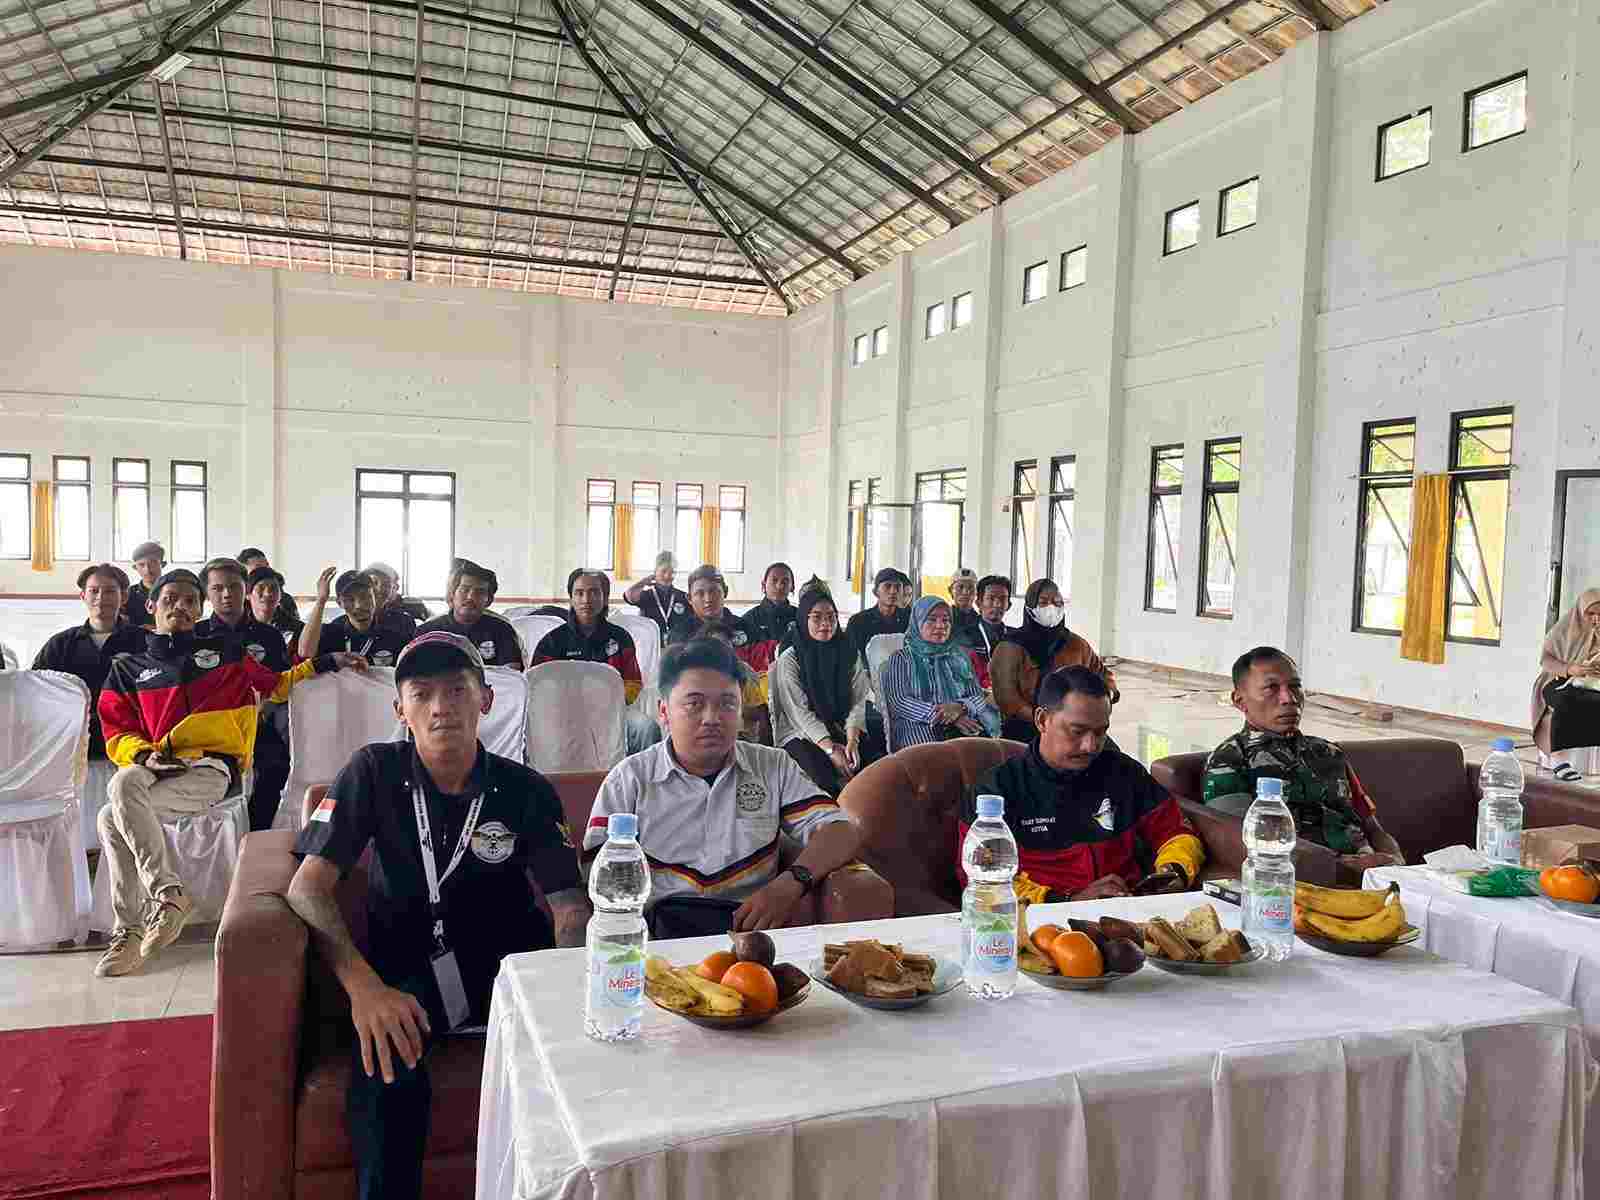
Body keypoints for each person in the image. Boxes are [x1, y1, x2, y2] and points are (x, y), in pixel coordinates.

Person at [287, 632, 587, 1200]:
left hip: (505, 971)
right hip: (402, 971)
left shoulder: (526, 789)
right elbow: (307, 890)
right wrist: (363, 989)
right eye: (421, 693)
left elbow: (568, 909)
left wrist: (568, 1000)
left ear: (487, 700)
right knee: (386, 1057)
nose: (441, 706)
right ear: (399, 709)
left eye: (457, 690)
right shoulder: (372, 771)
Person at [94, 569, 366, 977]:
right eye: (170, 599)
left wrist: (325, 661)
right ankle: (153, 910)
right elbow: (116, 731)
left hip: (210, 768)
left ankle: (140, 920)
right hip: (153, 766)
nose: (181, 607)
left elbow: (276, 686)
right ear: (151, 606)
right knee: (119, 790)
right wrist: (144, 755)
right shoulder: (128, 668)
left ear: (199, 607)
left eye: (190, 600)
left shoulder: (228, 652)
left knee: (110, 812)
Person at [585, 638, 862, 937]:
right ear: (663, 711)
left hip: (751, 935)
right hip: (658, 939)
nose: (712, 719)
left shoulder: (772, 766)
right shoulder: (630, 779)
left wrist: (791, 882)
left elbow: (841, 830)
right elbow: (598, 874)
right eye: (694, 704)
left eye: (727, 704)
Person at [962, 666, 1205, 903]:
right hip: (1042, 927)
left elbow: (1178, 834)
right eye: (1077, 731)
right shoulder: (996, 791)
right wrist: (1071, 900)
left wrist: (1172, 872)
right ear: (1042, 720)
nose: (1090, 746)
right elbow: (983, 881)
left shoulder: (1123, 773)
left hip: (1129, 914)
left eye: (1101, 732)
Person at [1202, 647, 1404, 868]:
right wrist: (1343, 866)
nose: (1289, 698)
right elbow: (1247, 845)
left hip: (1374, 874)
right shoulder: (1229, 761)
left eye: (1295, 686)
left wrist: (1395, 859)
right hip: (1305, 881)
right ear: (1240, 700)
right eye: (1271, 688)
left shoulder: (1329, 753)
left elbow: (1373, 828)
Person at [32, 563, 146, 774]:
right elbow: (37, 690)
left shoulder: (143, 642)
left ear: (124, 597)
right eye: (94, 590)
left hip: (130, 747)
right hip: (73, 747)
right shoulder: (61, 644)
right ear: (83, 596)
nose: (101, 597)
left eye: (110, 591)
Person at [767, 584, 878, 796]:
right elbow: (797, 712)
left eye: (831, 616)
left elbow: (859, 699)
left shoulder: (846, 651)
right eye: (817, 617)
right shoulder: (791, 657)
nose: (826, 623)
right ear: (803, 619)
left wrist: (852, 740)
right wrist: (830, 749)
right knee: (822, 780)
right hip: (800, 733)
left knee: (872, 769)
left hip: (841, 725)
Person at [990, 578, 1117, 742]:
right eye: (1043, 602)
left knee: (1115, 761)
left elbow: (1102, 675)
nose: (1051, 608)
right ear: (1030, 607)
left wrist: (1107, 694)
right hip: (1026, 728)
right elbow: (1007, 699)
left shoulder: (1076, 644)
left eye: (1057, 603)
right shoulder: (1010, 647)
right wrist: (1049, 722)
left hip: (1076, 726)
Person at [879, 596, 1001, 748]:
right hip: (918, 729)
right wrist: (946, 716)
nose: (940, 626)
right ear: (917, 622)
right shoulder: (901, 658)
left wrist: (960, 708)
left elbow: (977, 695)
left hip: (963, 722)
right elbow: (899, 701)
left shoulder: (959, 657)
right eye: (931, 619)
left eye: (946, 620)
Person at [532, 569, 643, 702]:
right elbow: (537, 687)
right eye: (579, 593)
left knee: (644, 724)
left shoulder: (622, 638)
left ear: (606, 598)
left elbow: (633, 685)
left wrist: (609, 701)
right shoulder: (552, 642)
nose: (586, 600)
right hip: (562, 715)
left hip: (611, 714)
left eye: (594, 592)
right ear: (571, 599)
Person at [1532, 588, 1600, 781]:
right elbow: (1546, 660)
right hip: (1556, 680)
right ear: (1580, 612)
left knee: (1592, 701)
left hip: (1591, 684)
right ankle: (1559, 760)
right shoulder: (1564, 630)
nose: (1595, 619)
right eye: (1591, 614)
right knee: (1567, 699)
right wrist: (1571, 669)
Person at [418, 558, 524, 669]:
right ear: (452, 594)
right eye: (464, 590)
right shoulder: (427, 631)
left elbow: (511, 673)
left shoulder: (502, 629)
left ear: (488, 600)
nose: (470, 597)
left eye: (479, 592)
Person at [300, 568, 414, 667]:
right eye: (350, 600)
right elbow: (305, 653)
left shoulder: (395, 635)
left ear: (375, 597)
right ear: (339, 603)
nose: (359, 606)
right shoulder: (332, 632)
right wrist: (321, 601)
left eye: (365, 597)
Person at [196, 557, 290, 671]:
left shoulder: (271, 636)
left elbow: (282, 683)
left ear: (246, 588)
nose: (227, 594)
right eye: (217, 588)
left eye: (234, 586)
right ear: (206, 593)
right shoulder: (195, 635)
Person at [666, 564, 749, 649]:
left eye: (713, 592)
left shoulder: (746, 628)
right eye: (700, 593)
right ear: (689, 598)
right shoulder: (678, 635)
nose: (708, 599)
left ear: (726, 592)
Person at [846, 567, 911, 664]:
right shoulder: (858, 621)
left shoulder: (909, 618)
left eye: (897, 587)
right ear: (876, 592)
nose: (893, 591)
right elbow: (851, 658)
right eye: (887, 586)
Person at [623, 552, 689, 636]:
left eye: (672, 572)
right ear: (655, 571)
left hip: (677, 646)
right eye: (663, 571)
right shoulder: (647, 595)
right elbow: (629, 596)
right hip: (653, 645)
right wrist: (643, 582)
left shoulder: (682, 597)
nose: (667, 576)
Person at [237, 547, 301, 626]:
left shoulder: (285, 599)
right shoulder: (235, 604)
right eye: (259, 567)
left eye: (267, 566)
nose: (266, 571)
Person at [246, 565, 304, 650]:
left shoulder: (297, 629)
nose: (268, 593)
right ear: (247, 594)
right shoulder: (238, 628)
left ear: (280, 595)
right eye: (261, 588)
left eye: (273, 588)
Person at [741, 562, 798, 647]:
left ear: (792, 587)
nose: (779, 586)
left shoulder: (800, 617)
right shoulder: (749, 619)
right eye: (774, 580)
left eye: (785, 581)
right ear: (764, 585)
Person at [365, 562, 429, 629]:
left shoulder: (403, 619)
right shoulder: (356, 616)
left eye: (387, 585)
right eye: (374, 583)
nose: (380, 589)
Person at [968, 574, 1012, 662]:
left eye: (1003, 599)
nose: (997, 604)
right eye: (991, 598)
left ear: (1009, 605)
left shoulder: (1015, 637)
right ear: (978, 603)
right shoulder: (966, 636)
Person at [125, 540, 164, 628]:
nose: (147, 569)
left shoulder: (175, 592)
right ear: (135, 567)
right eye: (141, 565)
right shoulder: (128, 594)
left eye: (153, 563)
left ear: (162, 564)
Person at [949, 568, 981, 645]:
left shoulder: (980, 621)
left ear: (976, 592)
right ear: (950, 591)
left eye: (970, 588)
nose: (966, 592)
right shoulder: (945, 618)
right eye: (960, 587)